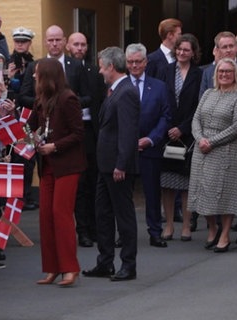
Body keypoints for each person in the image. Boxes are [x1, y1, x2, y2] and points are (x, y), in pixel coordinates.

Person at [82, 46, 140, 281]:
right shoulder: (114, 90)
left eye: (102, 66)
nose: (100, 71)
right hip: (105, 165)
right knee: (103, 214)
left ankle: (128, 264)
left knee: (123, 216)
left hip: (117, 167)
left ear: (111, 67)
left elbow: (128, 132)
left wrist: (121, 164)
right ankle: (105, 262)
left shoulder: (126, 92)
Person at [26, 58, 85, 286]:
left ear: (47, 75)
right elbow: (31, 128)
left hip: (67, 165)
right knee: (45, 217)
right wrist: (30, 138)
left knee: (61, 215)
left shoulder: (68, 98)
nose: (34, 76)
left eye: (37, 73)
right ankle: (51, 267)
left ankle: (70, 268)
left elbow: (78, 134)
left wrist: (55, 145)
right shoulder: (40, 100)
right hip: (48, 166)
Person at [199, 31, 237, 245]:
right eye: (224, 47)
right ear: (217, 49)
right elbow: (202, 102)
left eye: (232, 46)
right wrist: (206, 135)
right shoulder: (208, 72)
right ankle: (213, 228)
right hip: (211, 138)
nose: (229, 50)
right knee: (211, 183)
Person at [189, 58, 237, 253]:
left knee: (225, 193)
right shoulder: (208, 93)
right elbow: (196, 118)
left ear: (235, 75)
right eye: (221, 71)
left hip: (226, 149)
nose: (224, 75)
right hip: (202, 148)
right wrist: (200, 139)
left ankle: (225, 235)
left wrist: (212, 142)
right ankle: (213, 228)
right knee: (204, 190)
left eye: (228, 72)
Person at [126, 43, 171, 248]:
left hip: (150, 147)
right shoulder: (119, 84)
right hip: (125, 149)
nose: (134, 66)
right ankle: (125, 234)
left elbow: (165, 116)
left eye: (138, 61)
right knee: (124, 194)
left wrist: (151, 139)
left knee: (152, 193)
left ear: (146, 62)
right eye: (130, 62)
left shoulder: (159, 86)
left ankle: (155, 232)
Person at [157, 34, 202, 241]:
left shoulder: (198, 74)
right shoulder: (165, 71)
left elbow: (199, 106)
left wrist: (183, 128)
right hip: (166, 133)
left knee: (185, 184)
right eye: (179, 49)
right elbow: (159, 101)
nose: (182, 53)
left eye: (186, 50)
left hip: (188, 134)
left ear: (193, 52)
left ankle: (186, 225)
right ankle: (168, 225)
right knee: (167, 183)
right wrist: (169, 127)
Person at [66, 32, 105, 247]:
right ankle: (82, 230)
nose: (80, 48)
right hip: (71, 132)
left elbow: (97, 98)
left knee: (93, 181)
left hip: (91, 130)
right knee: (79, 185)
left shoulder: (93, 71)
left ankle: (94, 227)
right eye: (76, 44)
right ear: (68, 46)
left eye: (83, 44)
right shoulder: (63, 71)